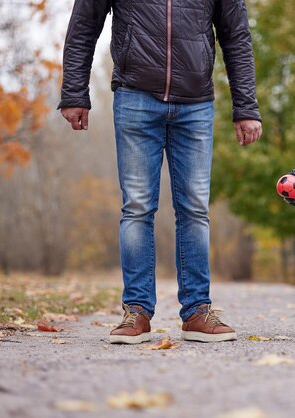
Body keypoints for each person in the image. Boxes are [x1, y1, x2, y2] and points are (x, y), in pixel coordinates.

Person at [58, 0, 262, 344]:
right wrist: (74, 92)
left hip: (196, 104)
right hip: (135, 98)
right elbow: (83, 26)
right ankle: (136, 310)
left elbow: (236, 36)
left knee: (195, 209)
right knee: (137, 207)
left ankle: (197, 311)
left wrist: (246, 106)